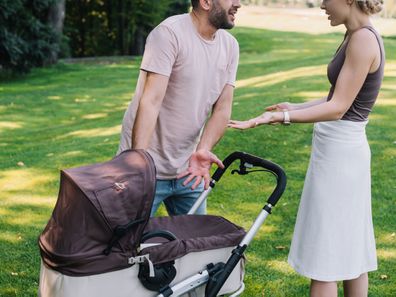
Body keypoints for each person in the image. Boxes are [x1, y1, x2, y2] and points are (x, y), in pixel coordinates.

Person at [228, 0, 385, 295]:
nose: (323, 4)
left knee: (325, 255)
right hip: (340, 151)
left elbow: (338, 108)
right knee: (350, 248)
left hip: (341, 156)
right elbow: (338, 97)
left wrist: (280, 116)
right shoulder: (356, 35)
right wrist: (295, 107)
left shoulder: (363, 39)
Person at [117, 0, 241, 217]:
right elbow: (151, 101)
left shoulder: (230, 46)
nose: (238, 4)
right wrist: (138, 164)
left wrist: (203, 149)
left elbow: (222, 108)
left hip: (189, 170)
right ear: (205, 2)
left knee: (195, 243)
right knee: (126, 244)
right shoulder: (168, 34)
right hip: (147, 170)